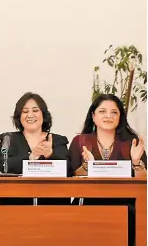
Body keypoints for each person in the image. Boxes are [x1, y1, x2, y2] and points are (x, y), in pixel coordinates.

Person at [69, 94, 146, 245]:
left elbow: (142, 181)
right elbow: (71, 178)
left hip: (125, 205)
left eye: (114, 112)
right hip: (88, 204)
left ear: (120, 117)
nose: (108, 116)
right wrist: (87, 166)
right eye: (102, 111)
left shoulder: (131, 142)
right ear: (93, 115)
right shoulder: (81, 141)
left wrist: (136, 162)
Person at [0, 92, 70, 205]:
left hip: (53, 204)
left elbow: (69, 170)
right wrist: (30, 158)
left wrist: (50, 154)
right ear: (19, 116)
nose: (30, 115)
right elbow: (4, 166)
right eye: (25, 111)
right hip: (15, 204)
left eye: (35, 110)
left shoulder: (58, 140)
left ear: (43, 114)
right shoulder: (8, 138)